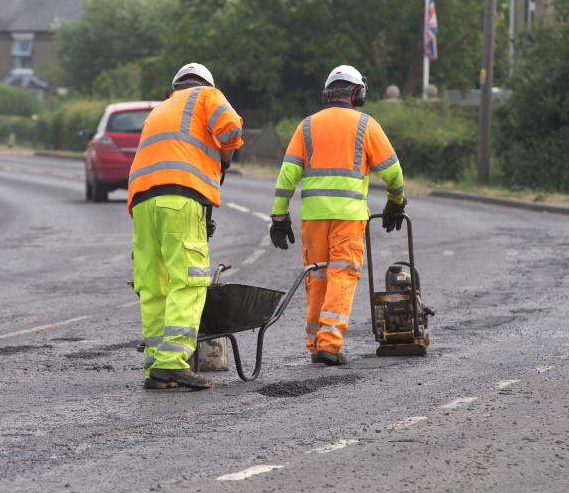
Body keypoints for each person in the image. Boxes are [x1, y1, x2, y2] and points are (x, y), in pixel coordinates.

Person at [268, 65, 406, 366]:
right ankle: (330, 343)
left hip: (314, 218)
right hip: (348, 217)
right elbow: (393, 173)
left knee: (316, 278)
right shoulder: (365, 125)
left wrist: (279, 217)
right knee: (342, 275)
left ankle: (316, 343)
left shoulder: (306, 126)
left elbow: (287, 175)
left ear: (327, 94)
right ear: (359, 93)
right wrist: (396, 202)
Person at [128, 63, 244, 390]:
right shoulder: (206, 95)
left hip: (143, 203)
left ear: (174, 86)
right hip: (179, 197)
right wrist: (225, 155)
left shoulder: (160, 109)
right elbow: (231, 128)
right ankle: (172, 363)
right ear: (205, 83)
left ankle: (156, 362)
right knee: (189, 280)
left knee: (154, 283)